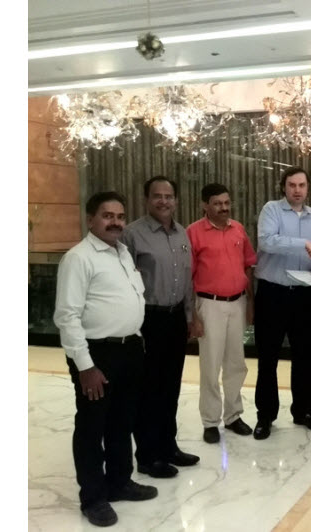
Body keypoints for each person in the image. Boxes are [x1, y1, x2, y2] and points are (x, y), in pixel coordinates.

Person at [54, 191, 157, 528]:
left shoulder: (122, 252)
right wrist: (85, 366)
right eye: (107, 215)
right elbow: (67, 316)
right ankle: (94, 498)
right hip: (97, 353)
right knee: (91, 426)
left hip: (129, 349)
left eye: (120, 216)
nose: (115, 222)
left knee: (122, 421)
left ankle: (119, 482)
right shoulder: (79, 258)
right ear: (90, 219)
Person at [120, 176, 200, 478]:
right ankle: (147, 455)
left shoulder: (182, 233)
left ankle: (168, 447)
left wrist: (190, 316)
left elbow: (188, 280)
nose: (163, 201)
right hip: (148, 320)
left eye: (168, 196)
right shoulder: (132, 235)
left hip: (175, 317)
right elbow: (124, 281)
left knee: (171, 386)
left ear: (175, 200)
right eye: (157, 196)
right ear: (146, 199)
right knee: (148, 389)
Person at [252, 167, 311, 440]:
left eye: (302, 185)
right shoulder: (271, 210)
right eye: (292, 185)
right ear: (283, 187)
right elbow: (267, 242)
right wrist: (305, 244)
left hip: (302, 295)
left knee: (304, 356)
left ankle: (303, 411)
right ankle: (265, 416)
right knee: (268, 358)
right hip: (272, 293)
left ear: (307, 188)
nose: (297, 190)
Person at [187, 183, 257, 444]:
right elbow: (187, 276)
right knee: (210, 364)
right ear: (205, 205)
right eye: (217, 203)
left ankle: (233, 416)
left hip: (238, 303)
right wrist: (193, 316)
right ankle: (210, 421)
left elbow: (248, 266)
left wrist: (250, 303)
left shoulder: (238, 229)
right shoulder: (193, 233)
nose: (224, 207)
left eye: (226, 202)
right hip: (209, 305)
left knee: (236, 363)